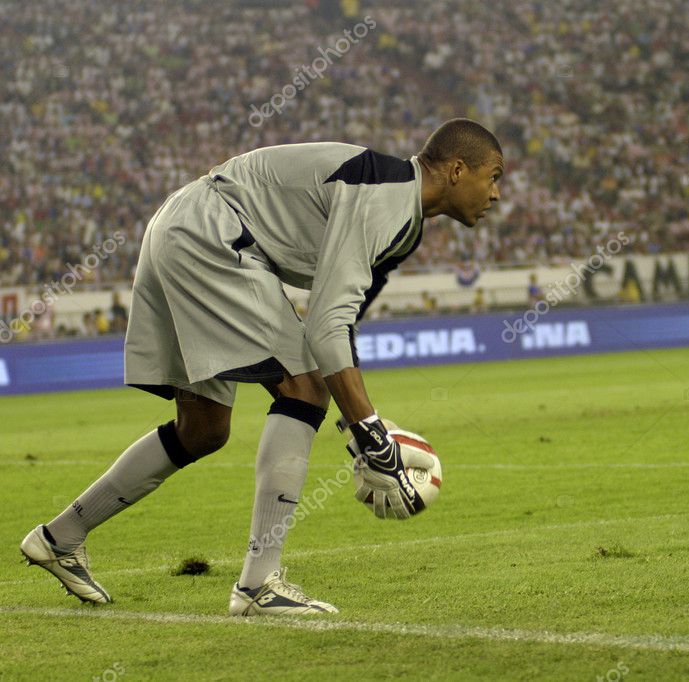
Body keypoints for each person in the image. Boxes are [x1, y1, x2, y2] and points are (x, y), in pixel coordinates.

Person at [20, 118, 504, 616]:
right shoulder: (386, 197)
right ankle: (257, 586)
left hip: (182, 227)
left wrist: (358, 426)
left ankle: (62, 535)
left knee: (203, 429)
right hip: (213, 236)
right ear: (456, 169)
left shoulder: (401, 221)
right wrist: (372, 432)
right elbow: (326, 328)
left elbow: (339, 326)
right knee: (303, 388)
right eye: (493, 177)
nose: (495, 194)